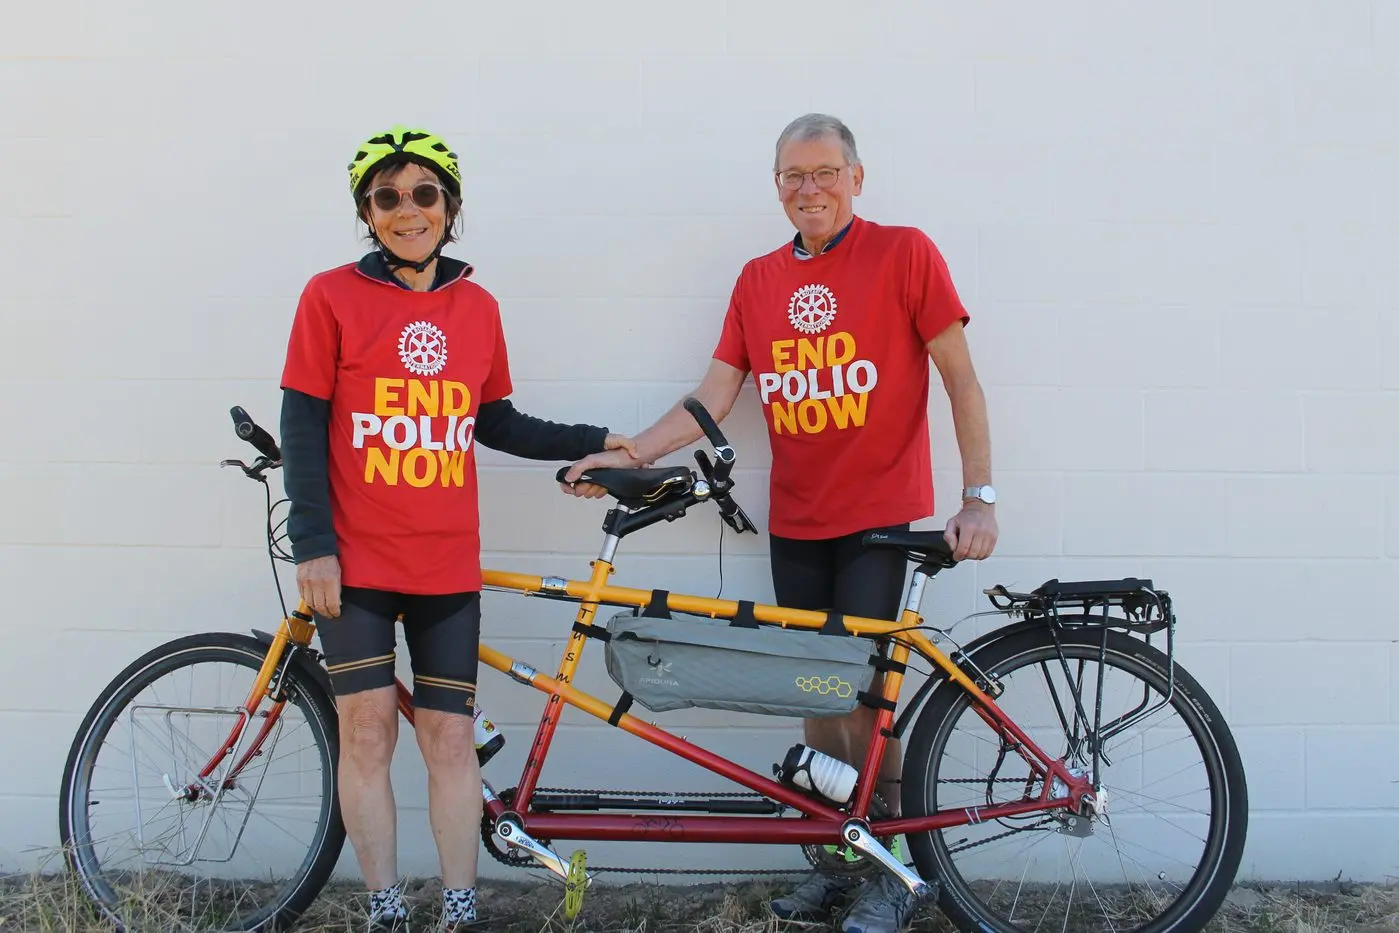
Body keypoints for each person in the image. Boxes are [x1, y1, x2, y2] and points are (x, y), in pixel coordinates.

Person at [561, 113, 998, 933]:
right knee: (814, 690)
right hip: (796, 521)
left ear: (856, 178)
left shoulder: (905, 253)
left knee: (865, 699)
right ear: (776, 187)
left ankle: (889, 873)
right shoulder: (758, 279)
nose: (810, 189)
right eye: (793, 176)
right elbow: (714, 394)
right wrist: (626, 454)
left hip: (876, 522)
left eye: (825, 172)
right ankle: (837, 857)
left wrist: (980, 495)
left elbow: (961, 381)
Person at [278, 125, 637, 932]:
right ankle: (382, 906)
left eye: (424, 194)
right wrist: (314, 546)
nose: (408, 210)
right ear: (367, 214)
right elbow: (301, 426)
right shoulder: (328, 296)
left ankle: (460, 907)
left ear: (451, 206)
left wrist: (593, 440)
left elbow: (496, 420)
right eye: (387, 197)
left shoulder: (477, 306)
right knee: (366, 733)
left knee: (447, 740)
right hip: (357, 564)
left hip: (444, 564)